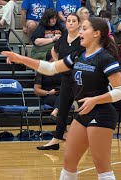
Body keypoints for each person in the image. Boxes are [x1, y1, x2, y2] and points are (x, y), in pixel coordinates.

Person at [2, 17, 121, 180]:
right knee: (68, 163)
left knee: (102, 168)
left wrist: (95, 99)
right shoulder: (78, 55)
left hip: (101, 115)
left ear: (97, 33)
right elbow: (51, 68)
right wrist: (21, 59)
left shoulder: (105, 58)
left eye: (84, 28)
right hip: (83, 114)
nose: (80, 32)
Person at [37, 13, 84, 150]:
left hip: (79, 80)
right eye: (68, 20)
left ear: (78, 23)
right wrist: (58, 63)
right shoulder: (63, 37)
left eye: (73, 21)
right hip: (65, 79)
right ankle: (55, 140)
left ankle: (86, 137)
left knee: (84, 109)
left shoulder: (82, 39)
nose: (70, 23)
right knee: (62, 111)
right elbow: (54, 49)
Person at [34, 51, 61, 121]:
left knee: (64, 97)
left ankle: (55, 111)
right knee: (65, 101)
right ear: (51, 59)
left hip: (61, 94)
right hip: (48, 96)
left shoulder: (62, 70)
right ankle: (62, 126)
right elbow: (36, 90)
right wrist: (49, 92)